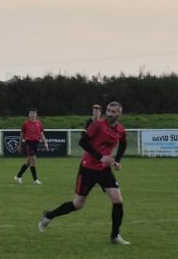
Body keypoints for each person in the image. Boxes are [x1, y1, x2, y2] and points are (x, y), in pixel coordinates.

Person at [38, 101, 130, 245]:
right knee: (77, 204)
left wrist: (117, 161)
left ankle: (115, 236)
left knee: (118, 200)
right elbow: (83, 142)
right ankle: (49, 216)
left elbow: (123, 143)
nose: (110, 114)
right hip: (88, 169)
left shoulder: (120, 129)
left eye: (114, 112)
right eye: (109, 111)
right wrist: (101, 157)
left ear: (119, 113)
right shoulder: (98, 125)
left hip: (104, 170)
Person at [15, 110, 45, 185]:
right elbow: (21, 135)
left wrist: (45, 143)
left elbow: (41, 134)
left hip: (36, 143)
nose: (32, 114)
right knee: (33, 161)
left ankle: (18, 176)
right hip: (28, 143)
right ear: (29, 114)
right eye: (31, 113)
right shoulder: (25, 124)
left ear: (36, 114)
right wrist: (20, 145)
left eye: (33, 113)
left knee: (28, 162)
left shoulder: (39, 123)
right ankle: (35, 179)